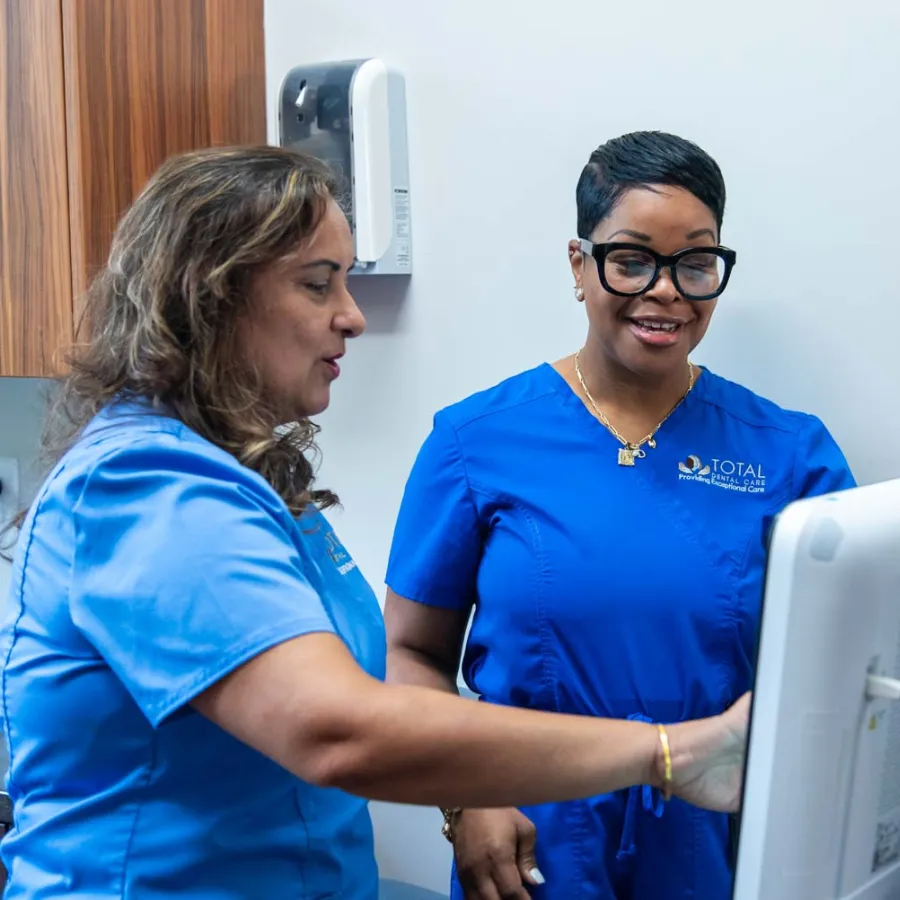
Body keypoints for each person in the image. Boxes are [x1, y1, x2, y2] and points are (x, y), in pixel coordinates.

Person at [0, 145, 749, 900]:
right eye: (319, 283)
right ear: (212, 296)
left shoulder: (243, 484)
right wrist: (669, 752)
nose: (353, 316)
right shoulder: (148, 491)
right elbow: (337, 728)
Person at [384, 131, 856, 900]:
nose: (666, 290)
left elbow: (840, 669)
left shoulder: (789, 453)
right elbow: (411, 654)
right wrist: (465, 797)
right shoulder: (476, 442)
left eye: (695, 263)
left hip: (721, 842)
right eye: (632, 258)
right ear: (580, 266)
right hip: (531, 843)